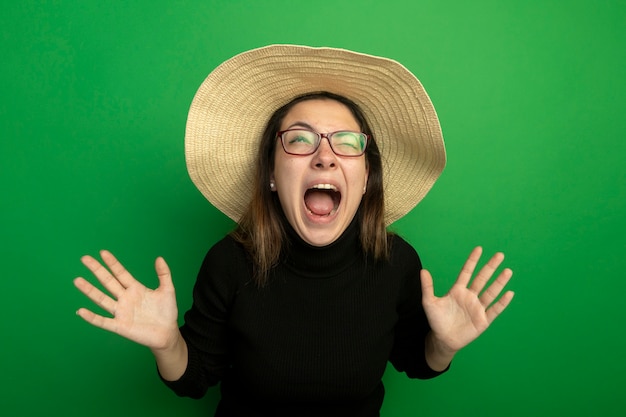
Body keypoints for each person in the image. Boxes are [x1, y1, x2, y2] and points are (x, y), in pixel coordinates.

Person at [74, 45, 514, 416]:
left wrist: (443, 345)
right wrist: (167, 343)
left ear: (366, 179)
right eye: (300, 140)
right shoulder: (228, 261)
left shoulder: (396, 262)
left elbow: (417, 361)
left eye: (346, 142)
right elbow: (194, 379)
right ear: (270, 173)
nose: (324, 157)